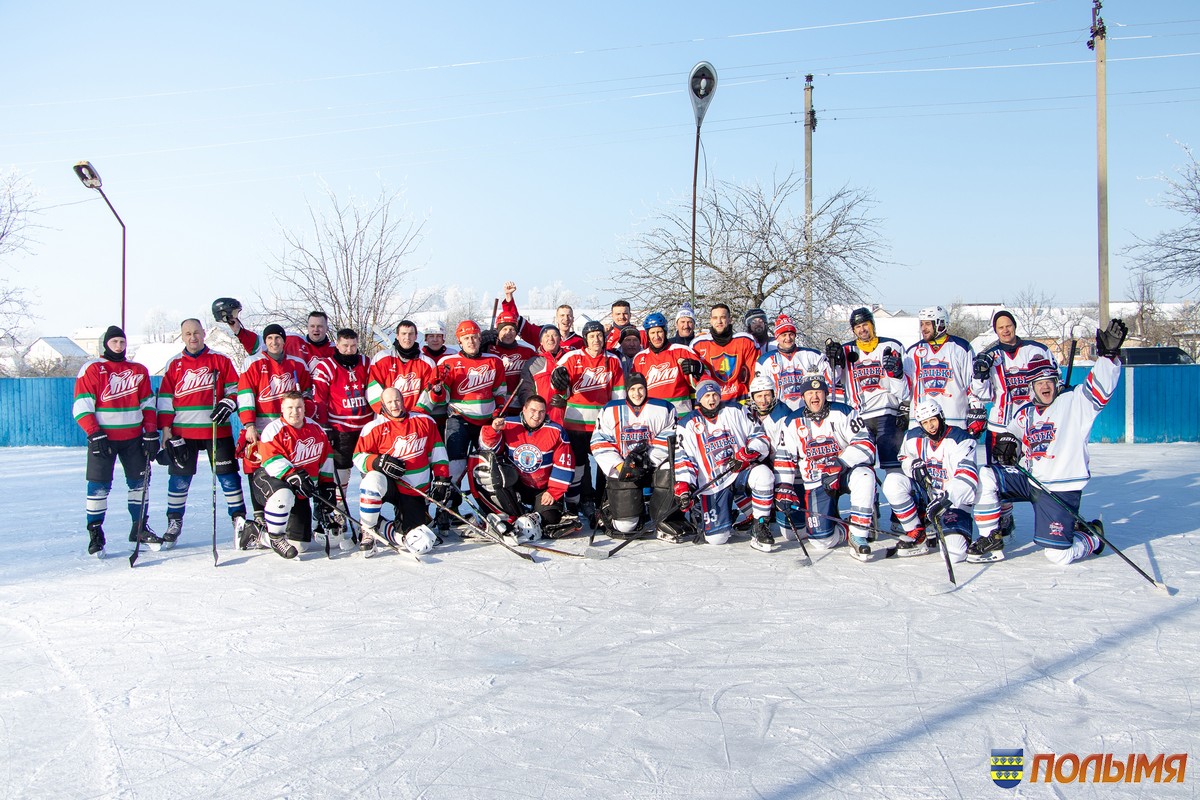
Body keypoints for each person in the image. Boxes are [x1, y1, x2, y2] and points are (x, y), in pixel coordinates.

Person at [970, 320, 1127, 565]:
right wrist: (1009, 445)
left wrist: (1108, 357)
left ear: (1057, 382)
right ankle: (991, 537)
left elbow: (1100, 389)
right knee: (986, 475)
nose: (1045, 386)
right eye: (1039, 382)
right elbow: (1013, 436)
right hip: (1031, 480)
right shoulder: (1026, 412)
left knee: (1057, 555)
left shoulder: (1074, 403)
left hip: (1058, 487)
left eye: (1049, 381)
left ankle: (1093, 537)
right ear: (1031, 387)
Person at [155, 318, 248, 548]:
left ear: (204, 333)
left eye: (196, 332)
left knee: (228, 476)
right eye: (187, 334)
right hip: (183, 433)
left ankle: (239, 520)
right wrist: (166, 430)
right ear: (182, 336)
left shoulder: (219, 360)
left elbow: (237, 389)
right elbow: (166, 400)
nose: (192, 337)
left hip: (216, 430)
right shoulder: (174, 364)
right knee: (179, 478)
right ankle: (174, 521)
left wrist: (229, 402)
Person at [970, 309, 1060, 537]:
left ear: (1014, 325)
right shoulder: (989, 354)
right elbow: (980, 393)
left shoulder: (1036, 350)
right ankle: (1005, 516)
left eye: (1008, 325)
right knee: (997, 476)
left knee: (1042, 472)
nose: (1005, 330)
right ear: (995, 330)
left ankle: (1057, 514)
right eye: (1000, 327)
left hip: (1033, 425)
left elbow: (1055, 380)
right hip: (1000, 426)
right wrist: (979, 375)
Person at [73, 325, 161, 555]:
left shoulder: (138, 370)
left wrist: (151, 431)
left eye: (122, 342)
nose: (119, 346)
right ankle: (95, 532)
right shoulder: (92, 369)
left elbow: (148, 404)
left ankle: (139, 527)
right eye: (114, 342)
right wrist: (93, 432)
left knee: (139, 485)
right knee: (98, 487)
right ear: (105, 344)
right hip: (103, 439)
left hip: (133, 439)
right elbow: (81, 406)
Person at [774, 376, 879, 560]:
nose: (815, 397)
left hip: (843, 473)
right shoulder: (792, 420)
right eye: (810, 393)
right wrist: (785, 486)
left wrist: (840, 462)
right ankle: (847, 527)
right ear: (803, 396)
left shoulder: (844, 412)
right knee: (820, 541)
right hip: (815, 480)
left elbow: (866, 444)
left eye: (818, 392)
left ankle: (859, 533)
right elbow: (784, 457)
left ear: (826, 393)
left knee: (865, 475)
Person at [674, 379, 775, 551]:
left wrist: (748, 453)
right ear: (699, 399)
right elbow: (685, 458)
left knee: (764, 475)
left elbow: (760, 437)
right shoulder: (687, 424)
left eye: (714, 394)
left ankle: (760, 525)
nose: (711, 399)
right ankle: (720, 512)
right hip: (713, 483)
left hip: (740, 471)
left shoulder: (736, 410)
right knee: (717, 539)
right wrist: (684, 486)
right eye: (706, 396)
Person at [353, 387, 451, 557]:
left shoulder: (424, 421)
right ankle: (368, 529)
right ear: (382, 404)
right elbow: (358, 457)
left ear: (403, 400)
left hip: (414, 490)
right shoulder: (373, 427)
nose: (394, 405)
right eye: (389, 402)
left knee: (414, 538)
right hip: (389, 485)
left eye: (397, 400)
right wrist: (377, 462)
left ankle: (380, 527)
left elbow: (438, 451)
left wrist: (441, 477)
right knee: (371, 480)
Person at [236, 324, 312, 538]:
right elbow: (245, 394)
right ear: (265, 341)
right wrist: (249, 424)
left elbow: (306, 392)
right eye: (269, 338)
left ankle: (287, 515)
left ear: (284, 340)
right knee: (256, 469)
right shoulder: (253, 363)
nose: (274, 342)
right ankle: (259, 514)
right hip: (260, 427)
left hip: (289, 428)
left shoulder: (296, 363)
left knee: (286, 468)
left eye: (277, 338)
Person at [881, 398, 978, 561]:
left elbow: (967, 478)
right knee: (892, 483)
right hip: (927, 496)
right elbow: (904, 458)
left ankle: (948, 528)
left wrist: (944, 502)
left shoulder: (961, 439)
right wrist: (913, 465)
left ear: (941, 417)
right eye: (925, 423)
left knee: (955, 554)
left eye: (933, 420)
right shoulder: (912, 437)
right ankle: (916, 533)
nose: (930, 426)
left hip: (953, 502)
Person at [552, 320, 625, 523]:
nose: (596, 339)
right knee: (579, 466)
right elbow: (560, 387)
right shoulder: (571, 357)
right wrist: (558, 382)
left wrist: (617, 423)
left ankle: (604, 500)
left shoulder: (614, 361)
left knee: (606, 463)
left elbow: (619, 396)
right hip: (576, 424)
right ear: (585, 339)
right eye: (592, 336)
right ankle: (579, 502)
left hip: (602, 426)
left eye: (600, 335)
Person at [472, 394, 574, 538]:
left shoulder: (556, 431)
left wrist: (554, 491)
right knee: (492, 469)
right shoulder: (508, 424)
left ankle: (539, 513)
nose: (537, 416)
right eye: (533, 410)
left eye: (541, 412)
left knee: (550, 520)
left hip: (543, 489)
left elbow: (564, 464)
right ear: (524, 410)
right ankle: (503, 513)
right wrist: (493, 430)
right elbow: (488, 448)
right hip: (517, 484)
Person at [826, 307, 910, 479]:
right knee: (862, 466)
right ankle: (872, 503)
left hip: (887, 412)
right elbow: (831, 380)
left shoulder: (892, 345)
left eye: (865, 325)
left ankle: (902, 502)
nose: (862, 329)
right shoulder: (846, 350)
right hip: (859, 416)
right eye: (857, 327)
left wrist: (906, 404)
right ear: (853, 330)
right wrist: (832, 360)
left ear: (872, 325)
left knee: (894, 468)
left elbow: (907, 383)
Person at [251, 391, 337, 559]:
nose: (294, 412)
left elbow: (326, 458)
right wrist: (293, 474)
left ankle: (257, 533)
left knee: (300, 546)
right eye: (290, 407)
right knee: (284, 494)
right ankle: (275, 538)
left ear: (305, 409)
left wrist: (327, 485)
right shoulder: (273, 429)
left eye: (299, 407)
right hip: (270, 479)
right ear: (282, 408)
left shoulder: (316, 429)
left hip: (300, 490)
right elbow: (271, 461)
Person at [590, 373, 677, 536]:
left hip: (652, 464)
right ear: (626, 391)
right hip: (625, 468)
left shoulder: (664, 408)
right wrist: (620, 464)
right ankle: (612, 510)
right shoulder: (610, 409)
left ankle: (661, 513)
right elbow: (598, 440)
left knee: (670, 465)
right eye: (633, 389)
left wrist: (648, 458)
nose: (637, 393)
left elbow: (671, 435)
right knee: (626, 526)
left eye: (641, 388)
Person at [309, 327, 372, 552]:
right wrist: (325, 427)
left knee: (369, 476)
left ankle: (369, 521)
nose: (349, 349)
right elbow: (319, 399)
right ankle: (339, 516)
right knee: (341, 478)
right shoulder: (326, 366)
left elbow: (375, 390)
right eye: (345, 346)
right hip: (340, 429)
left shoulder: (366, 362)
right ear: (337, 345)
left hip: (365, 428)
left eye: (353, 345)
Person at [438, 319, 508, 492]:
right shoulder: (449, 362)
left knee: (489, 467)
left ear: (480, 339)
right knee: (455, 466)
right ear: (460, 341)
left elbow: (500, 393)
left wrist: (499, 410)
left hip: (486, 421)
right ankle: (449, 510)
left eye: (474, 337)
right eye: (466, 337)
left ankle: (490, 508)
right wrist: (438, 385)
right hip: (459, 419)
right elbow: (441, 397)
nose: (471, 341)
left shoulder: (494, 361)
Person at [745, 374, 806, 539]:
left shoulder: (783, 415)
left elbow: (786, 453)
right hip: (762, 463)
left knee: (793, 533)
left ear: (774, 394)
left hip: (786, 467)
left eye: (767, 395)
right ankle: (756, 516)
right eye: (758, 396)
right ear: (752, 397)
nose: (763, 400)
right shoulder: (747, 413)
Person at [904, 305, 981, 430]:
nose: (923, 328)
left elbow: (971, 384)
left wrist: (976, 408)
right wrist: (895, 374)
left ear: (940, 323)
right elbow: (905, 390)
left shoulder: (960, 348)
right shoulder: (913, 351)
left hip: (954, 419)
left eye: (928, 324)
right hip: (922, 422)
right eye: (922, 324)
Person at [213, 298, 335, 373]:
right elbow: (260, 344)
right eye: (312, 326)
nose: (316, 329)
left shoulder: (335, 350)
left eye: (320, 326)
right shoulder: (293, 340)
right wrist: (238, 330)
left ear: (326, 328)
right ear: (307, 326)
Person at [632, 311, 707, 416]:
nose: (656, 336)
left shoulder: (682, 351)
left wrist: (698, 369)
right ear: (647, 335)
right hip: (652, 416)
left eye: (659, 332)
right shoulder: (639, 358)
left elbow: (705, 379)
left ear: (665, 332)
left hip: (681, 415)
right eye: (652, 333)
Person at [755, 313, 830, 411]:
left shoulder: (813, 355)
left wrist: (836, 359)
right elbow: (760, 391)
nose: (788, 338)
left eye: (791, 334)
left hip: (808, 411)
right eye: (784, 335)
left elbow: (831, 377)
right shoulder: (764, 361)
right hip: (780, 413)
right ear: (777, 337)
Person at [365, 320, 443, 414]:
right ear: (397, 336)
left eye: (411, 334)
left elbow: (428, 393)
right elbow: (372, 388)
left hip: (415, 418)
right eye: (404, 333)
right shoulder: (381, 358)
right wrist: (386, 412)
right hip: (387, 418)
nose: (407, 337)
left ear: (416, 336)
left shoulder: (428, 363)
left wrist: (417, 414)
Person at [691, 303, 760, 404]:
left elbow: (754, 374)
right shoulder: (698, 345)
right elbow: (694, 381)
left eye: (723, 317)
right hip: (713, 403)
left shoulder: (745, 341)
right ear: (710, 320)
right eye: (715, 318)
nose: (719, 321)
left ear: (730, 319)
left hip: (741, 402)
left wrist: (754, 399)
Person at [496, 280, 585, 351]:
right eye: (562, 316)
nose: (566, 319)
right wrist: (509, 297)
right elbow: (515, 321)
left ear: (573, 319)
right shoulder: (542, 334)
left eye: (569, 316)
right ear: (556, 319)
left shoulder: (580, 341)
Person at [518, 325, 569, 426]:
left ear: (560, 340)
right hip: (542, 419)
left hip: (569, 419)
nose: (550, 338)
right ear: (541, 341)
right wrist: (536, 412)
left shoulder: (570, 359)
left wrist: (567, 401)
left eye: (554, 335)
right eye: (546, 335)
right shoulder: (532, 363)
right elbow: (525, 391)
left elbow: (578, 387)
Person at [489, 310, 539, 396]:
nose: (508, 333)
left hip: (521, 401)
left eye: (512, 329)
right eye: (504, 329)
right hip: (497, 402)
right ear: (498, 331)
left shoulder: (528, 352)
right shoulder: (489, 351)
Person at [421, 321, 456, 436]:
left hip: (445, 410)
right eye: (431, 336)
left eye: (438, 336)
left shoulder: (453, 355)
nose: (435, 340)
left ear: (443, 338)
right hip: (424, 408)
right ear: (426, 338)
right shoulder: (419, 356)